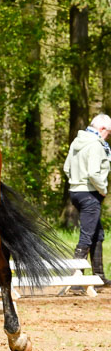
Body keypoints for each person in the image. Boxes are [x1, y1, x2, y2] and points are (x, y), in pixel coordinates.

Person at [63, 113, 111, 287]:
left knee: (98, 233)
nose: (108, 137)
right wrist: (103, 189)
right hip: (90, 193)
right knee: (87, 236)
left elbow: (66, 167)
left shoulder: (77, 142)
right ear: (102, 128)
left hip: (76, 192)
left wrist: (76, 182)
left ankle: (98, 276)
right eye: (109, 133)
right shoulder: (95, 145)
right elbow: (93, 173)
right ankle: (76, 281)